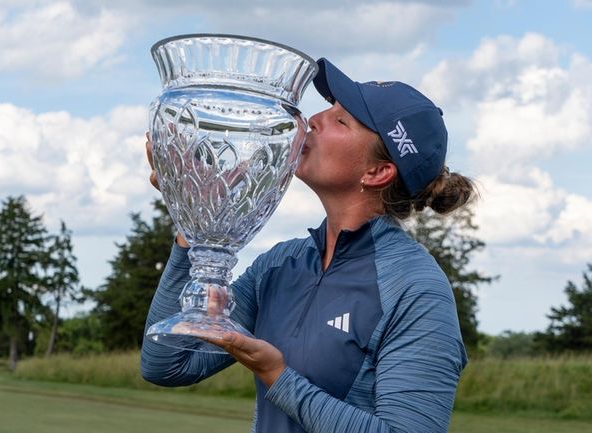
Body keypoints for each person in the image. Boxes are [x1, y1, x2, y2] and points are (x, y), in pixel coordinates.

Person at [140, 57, 475, 433]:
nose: (313, 120)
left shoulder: (415, 289)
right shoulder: (281, 266)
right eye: (328, 108)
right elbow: (166, 364)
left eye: (341, 120)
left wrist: (277, 375)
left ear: (377, 172)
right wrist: (197, 217)